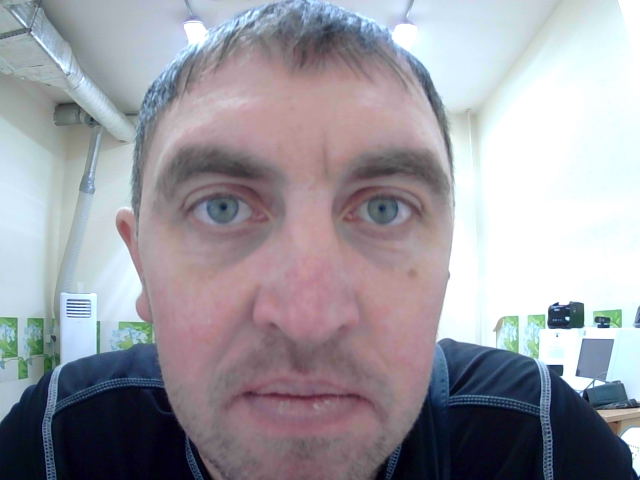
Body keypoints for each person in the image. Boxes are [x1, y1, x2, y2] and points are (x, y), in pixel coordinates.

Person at [0, 1, 636, 479]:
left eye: (385, 208)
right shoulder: (58, 445)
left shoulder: (537, 445)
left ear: (446, 259)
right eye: (221, 207)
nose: (307, 318)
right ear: (140, 261)